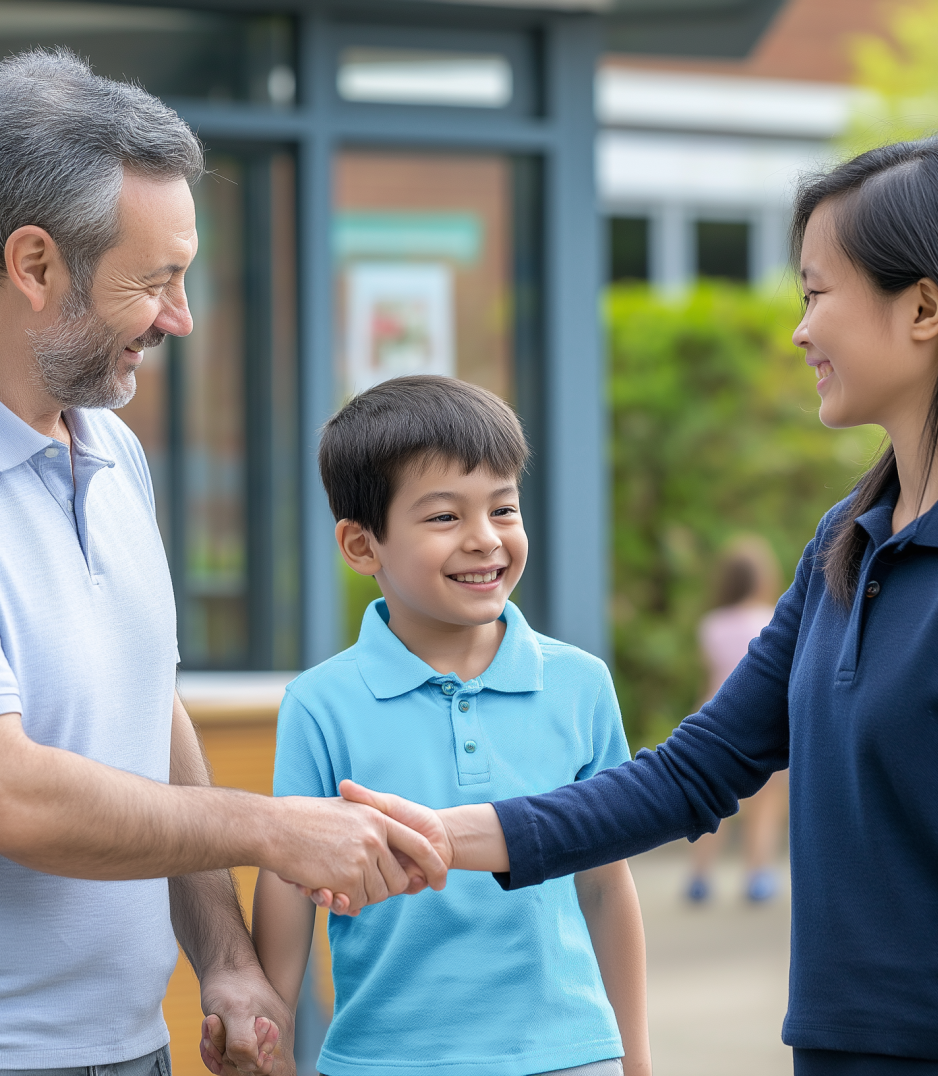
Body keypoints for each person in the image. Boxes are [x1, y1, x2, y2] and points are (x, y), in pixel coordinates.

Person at [334, 127, 938, 1076]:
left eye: (817, 293)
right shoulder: (847, 540)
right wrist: (439, 837)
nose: (801, 330)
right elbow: (693, 774)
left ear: (925, 309)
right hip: (844, 1049)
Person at [0, 50, 443, 1076]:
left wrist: (223, 957)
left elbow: (146, 712)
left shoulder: (112, 450)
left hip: (127, 1049)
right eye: (156, 281)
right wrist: (271, 829)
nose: (182, 317)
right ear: (35, 265)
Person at [250, 375, 651, 1076]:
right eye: (444, 518)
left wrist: (635, 1058)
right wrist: (272, 1038)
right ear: (360, 545)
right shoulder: (320, 704)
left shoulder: (581, 685)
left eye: (503, 508)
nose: (485, 540)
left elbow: (605, 883)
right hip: (384, 1060)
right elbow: (287, 881)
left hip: (571, 1056)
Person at [684, 534, 788, 904]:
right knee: (765, 806)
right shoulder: (771, 620)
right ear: (763, 579)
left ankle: (699, 877)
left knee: (712, 804)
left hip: (712, 718)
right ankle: (757, 875)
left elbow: (710, 677)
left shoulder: (712, 625)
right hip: (762, 724)